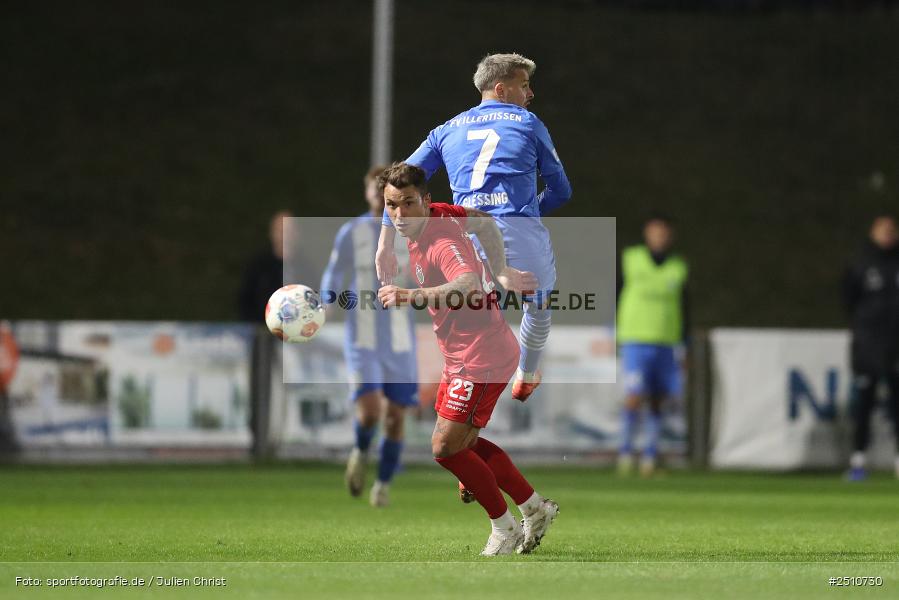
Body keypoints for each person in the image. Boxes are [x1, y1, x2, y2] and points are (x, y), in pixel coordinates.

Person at [376, 162, 558, 556]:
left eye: (408, 204)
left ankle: (504, 527)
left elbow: (467, 283)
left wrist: (409, 295)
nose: (400, 215)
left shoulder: (441, 240)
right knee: (464, 447)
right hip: (464, 354)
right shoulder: (440, 212)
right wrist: (503, 270)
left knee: (445, 448)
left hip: (483, 355)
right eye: (392, 206)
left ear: (425, 201)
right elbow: (483, 220)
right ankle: (533, 507)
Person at [375, 53, 571, 403]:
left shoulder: (445, 130)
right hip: (519, 233)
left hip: (464, 238)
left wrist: (385, 241)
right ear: (502, 88)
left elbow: (400, 182)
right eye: (524, 85)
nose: (530, 94)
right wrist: (528, 212)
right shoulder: (528, 122)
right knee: (539, 304)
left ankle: (457, 391)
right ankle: (527, 370)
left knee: (465, 316)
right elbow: (562, 189)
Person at [320, 166, 418, 507]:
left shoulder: (411, 232)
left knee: (395, 417)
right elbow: (333, 275)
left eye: (386, 191)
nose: (380, 196)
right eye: (375, 190)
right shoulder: (353, 232)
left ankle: (383, 486)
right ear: (367, 193)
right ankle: (361, 450)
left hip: (401, 340)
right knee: (371, 413)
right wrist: (327, 302)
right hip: (361, 337)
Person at [616, 214, 689, 477]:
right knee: (635, 396)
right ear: (647, 234)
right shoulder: (631, 258)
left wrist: (685, 343)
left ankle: (649, 457)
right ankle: (625, 453)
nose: (659, 237)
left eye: (663, 233)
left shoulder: (678, 266)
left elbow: (685, 305)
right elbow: (614, 290)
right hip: (636, 338)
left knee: (659, 400)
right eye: (655, 232)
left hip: (667, 342)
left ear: (670, 236)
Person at [842, 214, 899, 481]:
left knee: (896, 405)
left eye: (891, 229)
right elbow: (848, 300)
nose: (888, 233)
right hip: (868, 346)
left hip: (896, 347)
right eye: (883, 229)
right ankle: (858, 460)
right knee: (864, 404)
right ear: (873, 232)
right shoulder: (861, 263)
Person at [237, 210, 316, 323]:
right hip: (263, 332)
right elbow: (245, 302)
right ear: (272, 233)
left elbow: (315, 299)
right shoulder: (258, 267)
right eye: (280, 230)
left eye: (289, 230)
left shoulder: (307, 268)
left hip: (299, 333)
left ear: (297, 234)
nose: (284, 235)